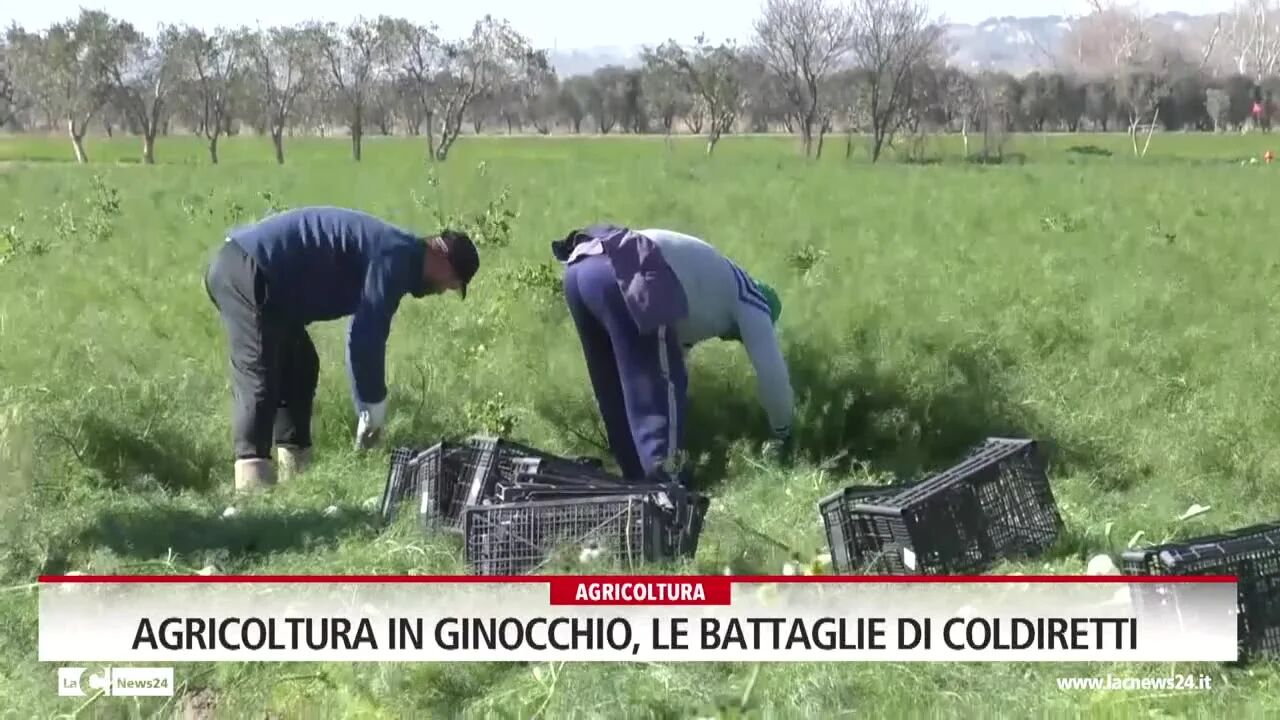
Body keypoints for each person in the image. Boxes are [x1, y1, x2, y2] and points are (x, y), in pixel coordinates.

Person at [204, 206, 480, 493]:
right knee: (259, 374)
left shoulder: (401, 256)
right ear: (441, 256)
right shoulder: (398, 254)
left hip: (266, 286)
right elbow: (365, 337)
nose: (444, 290)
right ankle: (252, 494)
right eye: (451, 282)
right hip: (247, 268)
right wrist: (372, 406)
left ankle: (295, 481)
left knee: (300, 367)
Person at [552, 224, 794, 484]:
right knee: (655, 392)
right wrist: (785, 434)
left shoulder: (708, 289)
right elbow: (773, 376)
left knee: (615, 395)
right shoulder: (753, 299)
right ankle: (670, 493)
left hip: (581, 270)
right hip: (627, 273)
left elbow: (672, 353)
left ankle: (636, 486)